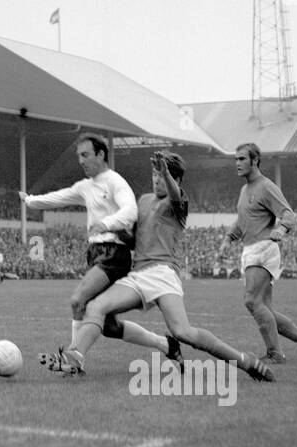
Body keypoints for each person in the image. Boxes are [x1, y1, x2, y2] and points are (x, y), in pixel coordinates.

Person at [44, 152, 273, 382]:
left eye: (162, 176)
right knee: (97, 309)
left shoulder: (178, 201)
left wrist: (166, 173)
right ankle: (75, 357)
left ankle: (246, 361)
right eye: (155, 175)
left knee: (184, 332)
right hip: (138, 273)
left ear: (176, 180)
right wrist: (112, 229)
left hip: (163, 273)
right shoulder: (143, 200)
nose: (157, 180)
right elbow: (133, 239)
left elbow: (174, 195)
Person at [21, 135, 178, 366]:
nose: (81, 161)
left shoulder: (115, 181)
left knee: (78, 300)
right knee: (108, 326)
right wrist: (30, 201)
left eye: (85, 155)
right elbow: (59, 198)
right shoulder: (85, 187)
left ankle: (73, 360)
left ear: (101, 154)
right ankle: (165, 344)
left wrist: (106, 224)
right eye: (78, 157)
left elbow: (130, 211)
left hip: (114, 252)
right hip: (96, 253)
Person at [224, 142, 297, 364]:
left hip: (263, 248)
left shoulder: (266, 186)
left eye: (242, 159)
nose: (237, 163)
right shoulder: (244, 190)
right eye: (236, 159)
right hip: (250, 249)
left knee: (251, 300)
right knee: (266, 309)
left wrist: (281, 229)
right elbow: (242, 221)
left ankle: (275, 354)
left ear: (255, 160)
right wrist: (228, 238)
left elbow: (288, 214)